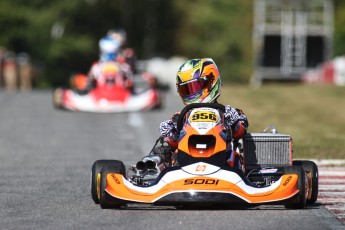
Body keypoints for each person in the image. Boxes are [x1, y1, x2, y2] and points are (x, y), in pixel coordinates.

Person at [159, 58, 249, 168]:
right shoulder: (180, 117)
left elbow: (241, 129)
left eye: (194, 87)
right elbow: (172, 143)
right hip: (185, 165)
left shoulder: (228, 113)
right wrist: (170, 134)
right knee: (164, 152)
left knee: (238, 154)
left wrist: (236, 122)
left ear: (211, 82)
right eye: (186, 89)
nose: (191, 93)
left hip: (225, 165)